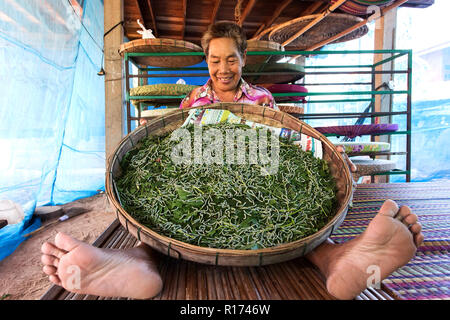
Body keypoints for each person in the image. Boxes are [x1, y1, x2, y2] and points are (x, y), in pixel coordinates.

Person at [41, 22, 423, 300]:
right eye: (214, 60)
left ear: (243, 59)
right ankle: (137, 266)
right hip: (199, 166)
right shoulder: (192, 103)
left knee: (302, 220)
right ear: (206, 61)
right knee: (160, 230)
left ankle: (338, 261)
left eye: (231, 60)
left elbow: (289, 142)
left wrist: (329, 153)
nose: (223, 69)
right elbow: (177, 145)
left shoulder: (263, 102)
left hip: (260, 165)